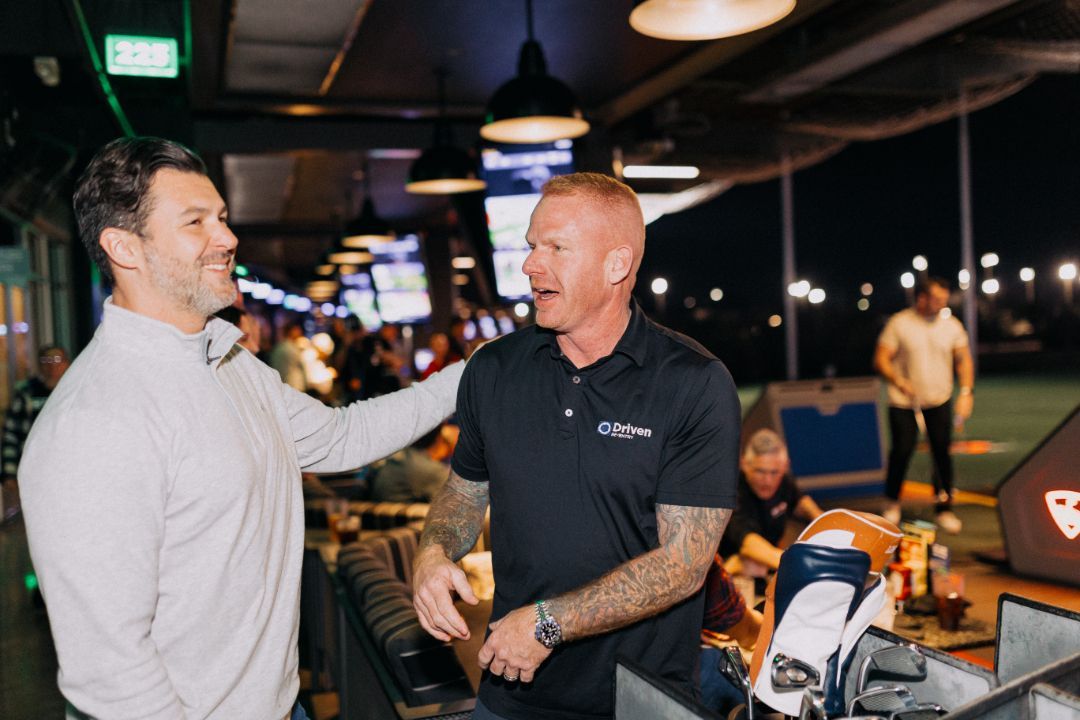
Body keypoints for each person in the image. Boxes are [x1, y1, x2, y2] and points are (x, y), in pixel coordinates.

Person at [18, 137, 463, 720]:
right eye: (195, 221)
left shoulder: (226, 363)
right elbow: (110, 674)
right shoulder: (93, 421)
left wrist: (473, 375)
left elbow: (342, 436)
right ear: (124, 247)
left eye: (222, 218)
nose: (226, 239)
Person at [411, 172, 741, 720]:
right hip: (510, 692)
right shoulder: (493, 369)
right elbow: (464, 494)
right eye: (531, 246)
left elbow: (684, 563)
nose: (530, 265)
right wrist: (433, 552)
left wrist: (549, 622)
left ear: (616, 265)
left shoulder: (693, 382)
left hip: (641, 701)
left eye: (556, 248)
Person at [874, 277, 974, 534]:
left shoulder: (951, 325)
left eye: (944, 299)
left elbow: (963, 360)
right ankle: (891, 502)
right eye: (937, 299)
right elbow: (881, 358)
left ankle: (944, 508)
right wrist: (898, 379)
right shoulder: (900, 323)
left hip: (938, 398)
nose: (943, 304)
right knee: (902, 450)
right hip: (903, 401)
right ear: (921, 298)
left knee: (942, 452)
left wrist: (966, 392)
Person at [720, 429, 823, 576]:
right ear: (744, 464)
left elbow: (802, 504)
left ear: (785, 466)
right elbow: (748, 544)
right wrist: (799, 565)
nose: (767, 481)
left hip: (768, 564)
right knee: (749, 564)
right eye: (760, 471)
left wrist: (828, 521)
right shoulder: (732, 491)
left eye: (774, 472)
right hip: (728, 569)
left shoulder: (784, 482)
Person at [1, 344, 70, 520]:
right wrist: (9, 474)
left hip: (67, 468)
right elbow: (12, 434)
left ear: (66, 363)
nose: (52, 365)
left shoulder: (73, 390)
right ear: (39, 365)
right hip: (36, 468)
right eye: (46, 360)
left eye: (56, 359)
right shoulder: (27, 393)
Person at [369, 422, 457, 502]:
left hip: (379, 517)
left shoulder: (392, 460)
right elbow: (455, 505)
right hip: (410, 518)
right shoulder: (431, 471)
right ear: (439, 437)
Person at [270, 319, 307, 391]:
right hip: (293, 384)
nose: (300, 332)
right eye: (297, 330)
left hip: (284, 384)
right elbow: (301, 365)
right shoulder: (290, 348)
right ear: (291, 331)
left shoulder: (279, 347)